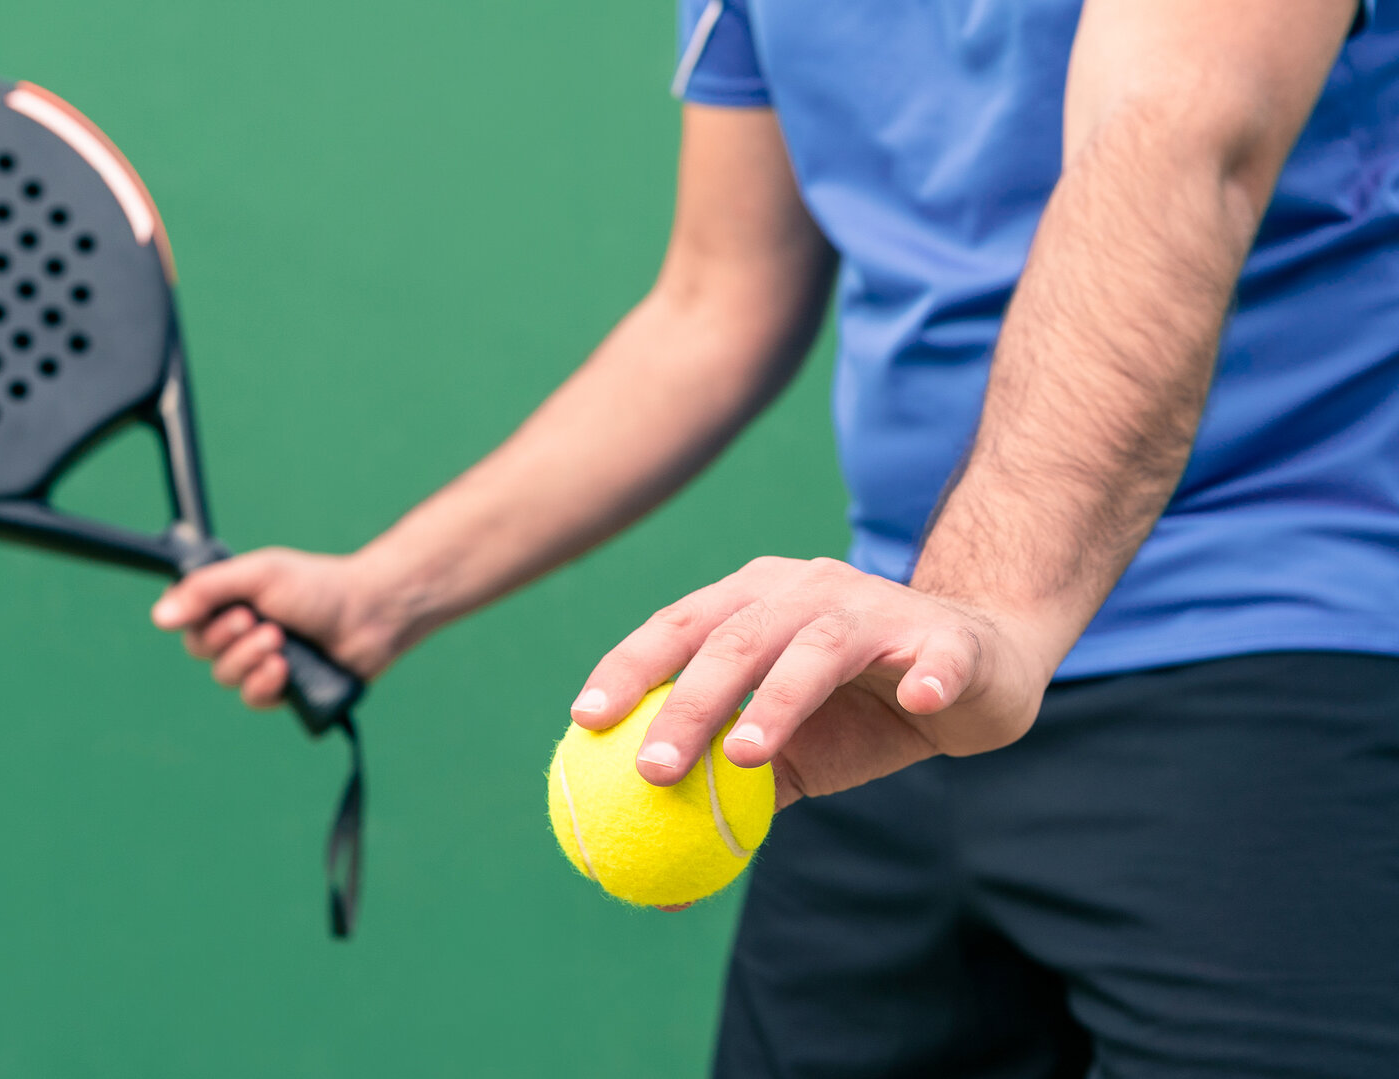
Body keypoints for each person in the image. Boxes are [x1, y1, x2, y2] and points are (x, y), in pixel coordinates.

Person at [152, 0, 1399, 1073]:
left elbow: (1180, 139)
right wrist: (389, 591)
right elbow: (717, 300)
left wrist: (990, 611)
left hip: (1290, 656)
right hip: (884, 693)